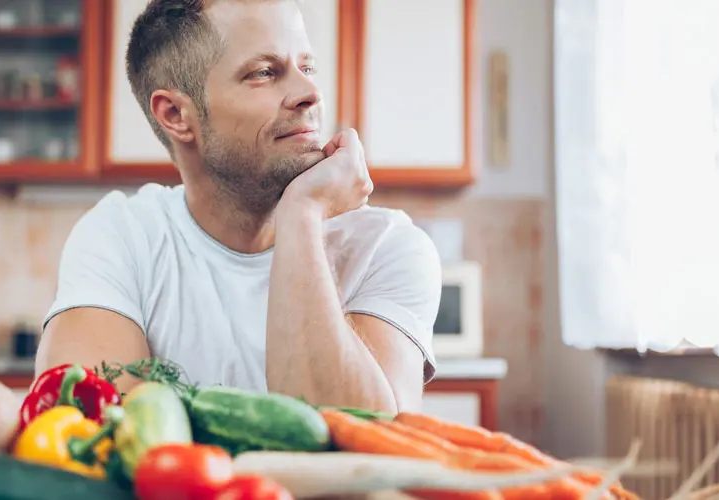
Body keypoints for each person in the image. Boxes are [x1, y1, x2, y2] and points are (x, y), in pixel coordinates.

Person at [36, 0, 442, 413]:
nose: (310, 93)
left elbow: (367, 442)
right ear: (176, 114)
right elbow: (100, 435)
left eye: (308, 67)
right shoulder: (121, 236)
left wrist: (300, 217)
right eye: (265, 73)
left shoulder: (387, 248)